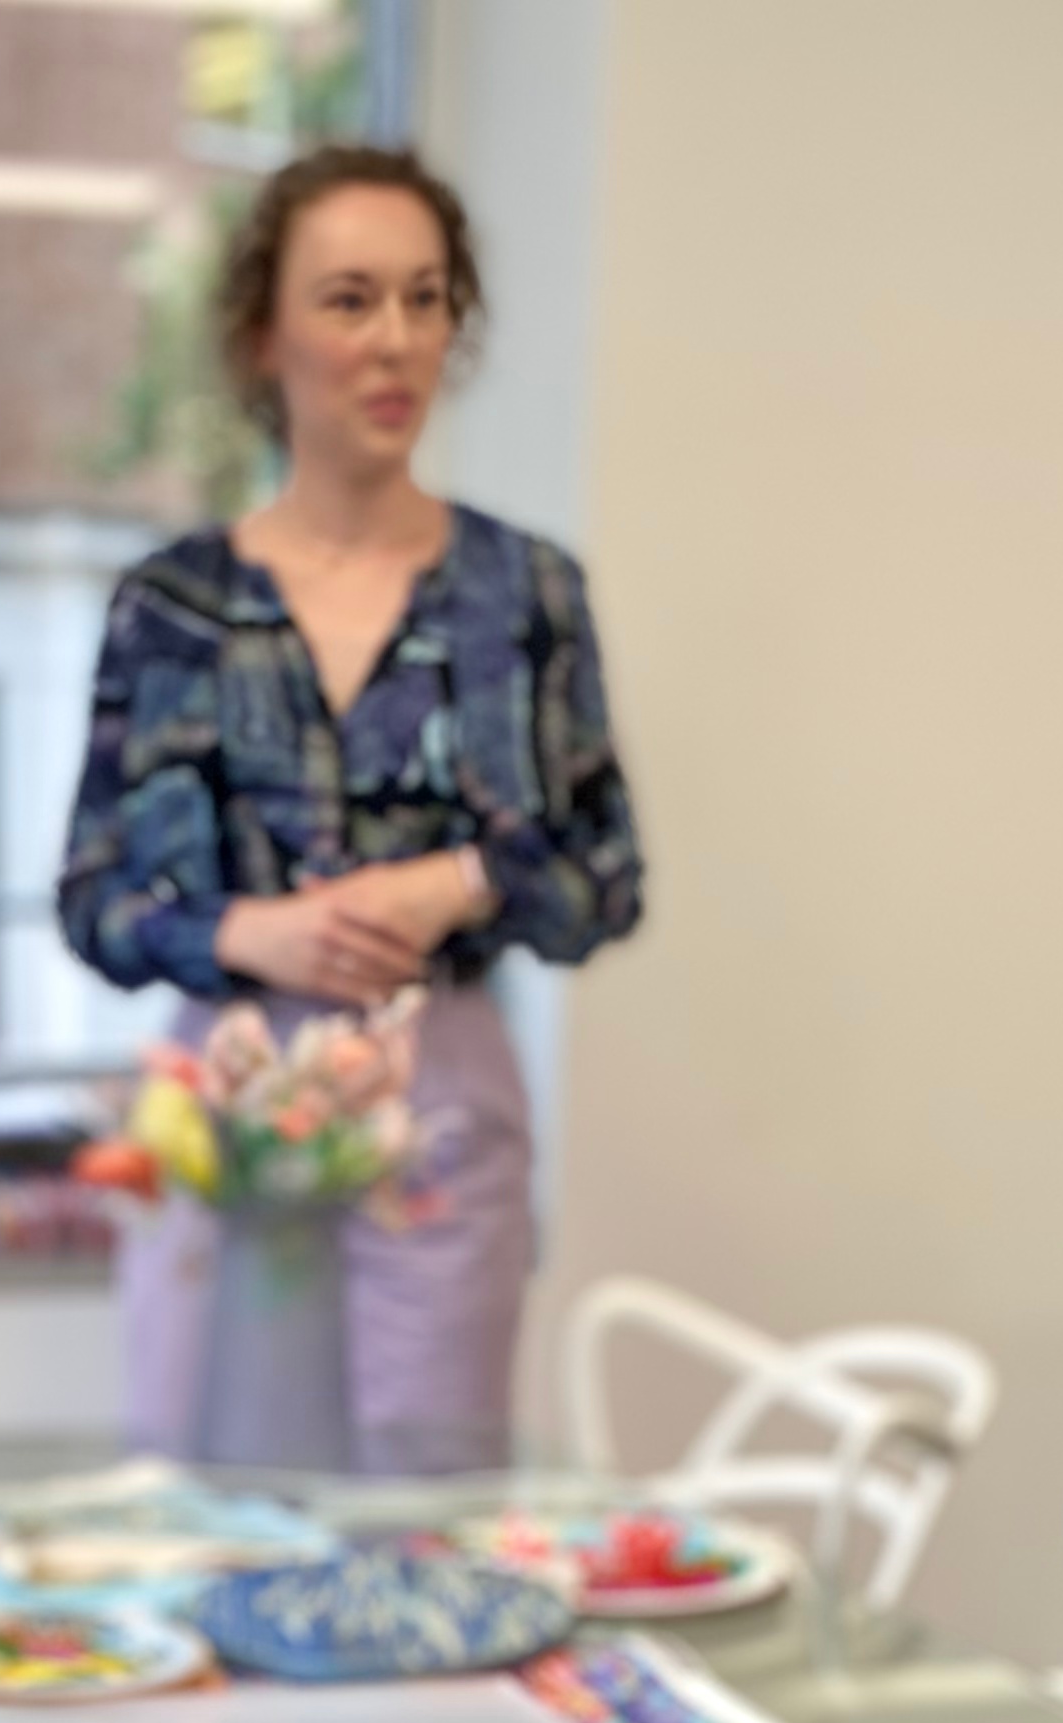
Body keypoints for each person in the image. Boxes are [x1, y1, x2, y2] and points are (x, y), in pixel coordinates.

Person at [58, 143, 643, 1475]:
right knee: (212, 1489)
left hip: (437, 1097)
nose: (395, 341)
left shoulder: (524, 593)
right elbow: (92, 899)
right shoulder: (175, 608)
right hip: (223, 1097)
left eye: (425, 301)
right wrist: (248, 934)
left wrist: (462, 882)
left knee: (425, 1500)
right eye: (350, 300)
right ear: (264, 335)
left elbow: (606, 876)